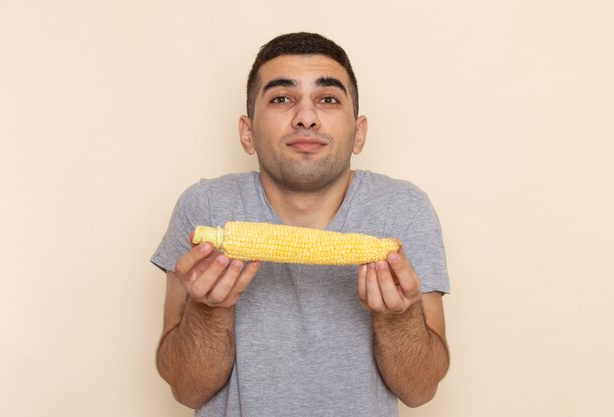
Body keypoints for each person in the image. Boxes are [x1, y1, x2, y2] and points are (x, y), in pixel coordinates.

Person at [151, 32, 450, 417]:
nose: (306, 117)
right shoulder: (206, 206)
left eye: (328, 99)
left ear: (358, 133)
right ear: (247, 132)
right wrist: (208, 312)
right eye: (281, 99)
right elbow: (186, 390)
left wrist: (398, 318)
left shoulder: (402, 209)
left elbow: (421, 390)